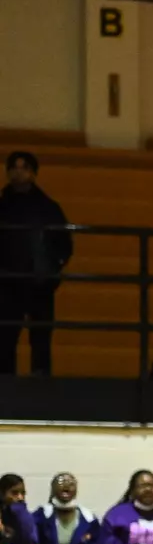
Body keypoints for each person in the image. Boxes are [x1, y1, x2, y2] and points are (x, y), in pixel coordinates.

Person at [0, 150, 71, 376]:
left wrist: (54, 267)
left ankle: (40, 386)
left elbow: (64, 243)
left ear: (33, 173)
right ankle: (5, 384)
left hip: (40, 282)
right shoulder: (2, 207)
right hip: (7, 282)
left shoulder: (49, 208)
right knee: (5, 338)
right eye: (14, 167)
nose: (18, 172)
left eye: (23, 167)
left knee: (40, 339)